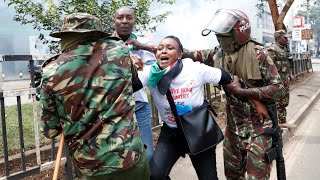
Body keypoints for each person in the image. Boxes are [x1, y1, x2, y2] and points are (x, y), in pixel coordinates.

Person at [39, 13, 150, 180]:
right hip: (130, 158)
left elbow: (51, 130)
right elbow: (133, 79)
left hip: (92, 167)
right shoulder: (120, 52)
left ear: (66, 37)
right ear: (98, 35)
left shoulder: (51, 72)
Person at [182, 9, 286, 179]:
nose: (220, 39)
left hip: (259, 131)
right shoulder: (219, 54)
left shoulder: (259, 54)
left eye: (225, 35)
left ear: (239, 33)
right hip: (233, 130)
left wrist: (243, 92)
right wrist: (155, 48)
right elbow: (194, 54)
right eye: (218, 35)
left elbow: (279, 89)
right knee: (232, 176)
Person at [114, 6, 156, 160]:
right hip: (114, 109)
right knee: (120, 157)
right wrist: (124, 55)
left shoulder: (142, 44)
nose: (125, 21)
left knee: (148, 155)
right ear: (115, 22)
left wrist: (142, 47)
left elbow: (154, 69)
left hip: (139, 107)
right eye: (120, 17)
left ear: (134, 22)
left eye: (129, 18)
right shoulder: (106, 45)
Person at [268, 30, 296, 129]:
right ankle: (275, 122)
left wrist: (290, 74)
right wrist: (276, 80)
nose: (287, 40)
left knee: (284, 101)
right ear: (278, 38)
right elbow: (270, 67)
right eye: (285, 37)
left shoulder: (284, 48)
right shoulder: (273, 49)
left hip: (284, 80)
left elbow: (286, 64)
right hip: (277, 82)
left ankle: (282, 121)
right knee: (277, 102)